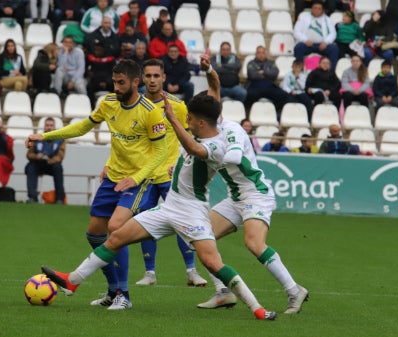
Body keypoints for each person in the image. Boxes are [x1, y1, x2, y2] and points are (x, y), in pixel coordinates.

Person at [41, 91, 277, 321]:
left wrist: (173, 118)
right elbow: (191, 153)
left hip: (191, 212)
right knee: (116, 237)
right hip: (169, 208)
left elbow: (195, 150)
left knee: (213, 263)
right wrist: (179, 171)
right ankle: (72, 279)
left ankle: (257, 308)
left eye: (191, 118)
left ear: (202, 122)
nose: (187, 121)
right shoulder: (199, 135)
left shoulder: (217, 145)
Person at [25, 59, 168, 310]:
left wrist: (135, 178)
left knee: (116, 229)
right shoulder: (109, 103)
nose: (116, 87)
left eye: (121, 82)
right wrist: (45, 135)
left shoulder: (150, 111)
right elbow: (83, 127)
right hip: (113, 177)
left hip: (137, 181)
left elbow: (160, 151)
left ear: (136, 82)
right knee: (94, 233)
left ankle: (124, 295)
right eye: (114, 81)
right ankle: (113, 290)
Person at [196, 62, 308, 313]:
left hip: (256, 194)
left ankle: (294, 290)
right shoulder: (205, 135)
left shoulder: (231, 130)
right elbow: (214, 85)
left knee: (254, 244)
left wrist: (212, 158)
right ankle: (223, 292)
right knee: (200, 237)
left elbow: (234, 157)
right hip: (235, 197)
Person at [134, 58, 208, 287]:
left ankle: (191, 271)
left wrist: (181, 164)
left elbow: (189, 139)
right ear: (142, 78)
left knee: (182, 221)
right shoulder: (135, 104)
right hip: (145, 174)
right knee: (144, 223)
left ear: (164, 78)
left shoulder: (177, 106)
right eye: (148, 76)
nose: (152, 80)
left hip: (170, 174)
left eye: (157, 76)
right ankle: (150, 273)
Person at [25, 118, 66, 204]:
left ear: (54, 127)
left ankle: (59, 199)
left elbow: (60, 156)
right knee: (30, 167)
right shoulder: (37, 138)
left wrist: (49, 160)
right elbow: (29, 154)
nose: (49, 127)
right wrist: (36, 156)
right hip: (38, 163)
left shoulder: (60, 139)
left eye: (51, 125)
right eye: (47, 125)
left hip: (52, 164)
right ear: (44, 126)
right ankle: (32, 197)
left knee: (58, 168)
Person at [293, 0, 339, 70]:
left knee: (334, 49)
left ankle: (331, 72)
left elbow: (333, 33)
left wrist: (326, 42)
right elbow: (296, 31)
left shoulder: (327, 19)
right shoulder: (304, 18)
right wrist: (305, 40)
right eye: (315, 8)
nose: (317, 10)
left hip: (322, 45)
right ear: (311, 9)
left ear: (322, 10)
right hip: (307, 44)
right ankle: (299, 71)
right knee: (298, 48)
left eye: (319, 8)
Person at [245, 46, 290, 115]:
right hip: (255, 86)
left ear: (266, 54)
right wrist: (268, 75)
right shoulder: (251, 63)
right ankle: (249, 113)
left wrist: (263, 72)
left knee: (283, 95)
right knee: (248, 95)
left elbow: (275, 73)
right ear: (256, 54)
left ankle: (277, 112)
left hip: (269, 86)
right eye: (259, 53)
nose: (261, 55)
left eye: (263, 53)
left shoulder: (271, 63)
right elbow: (252, 75)